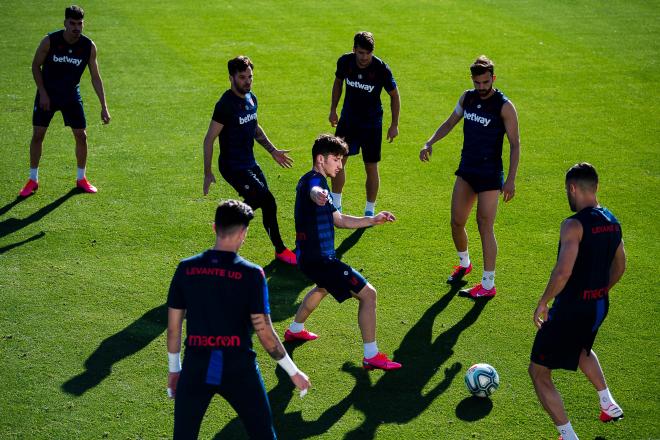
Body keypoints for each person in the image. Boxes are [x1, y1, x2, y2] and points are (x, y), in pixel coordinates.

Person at [167, 200, 310, 439]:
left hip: (197, 367)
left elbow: (174, 328)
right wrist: (292, 371)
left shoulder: (186, 268)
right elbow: (264, 332)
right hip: (238, 369)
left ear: (215, 227)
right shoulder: (252, 274)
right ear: (243, 233)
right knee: (263, 435)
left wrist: (175, 370)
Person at [284, 134, 401, 371]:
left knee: (323, 288)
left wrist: (373, 220)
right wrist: (319, 195)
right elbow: (314, 191)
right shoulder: (313, 182)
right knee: (368, 295)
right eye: (336, 159)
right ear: (320, 159)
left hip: (311, 258)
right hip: (320, 259)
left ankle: (294, 330)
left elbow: (339, 220)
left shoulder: (317, 181)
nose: (340, 165)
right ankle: (371, 355)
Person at [528, 163, 626, 440]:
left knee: (538, 372)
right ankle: (608, 404)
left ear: (573, 188)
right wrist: (600, 290)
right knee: (582, 348)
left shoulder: (573, 225)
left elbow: (563, 271)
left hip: (571, 309)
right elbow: (621, 264)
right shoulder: (611, 220)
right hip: (598, 307)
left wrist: (543, 301)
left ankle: (568, 436)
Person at [420, 55, 520, 298]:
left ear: (493, 79)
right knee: (456, 223)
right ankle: (464, 263)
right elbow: (450, 122)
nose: (482, 88)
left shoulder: (504, 106)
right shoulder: (468, 97)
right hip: (467, 171)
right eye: (478, 83)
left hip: (490, 175)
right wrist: (430, 141)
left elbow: (515, 144)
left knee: (484, 225)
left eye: (486, 83)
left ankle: (488, 284)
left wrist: (510, 180)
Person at [202, 56, 297, 265]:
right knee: (266, 199)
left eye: (250, 77)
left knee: (266, 203)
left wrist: (272, 150)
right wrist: (207, 172)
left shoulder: (251, 98)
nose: (247, 81)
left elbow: (254, 126)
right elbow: (209, 139)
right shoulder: (225, 105)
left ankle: (227, 223)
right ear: (231, 78)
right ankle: (279, 249)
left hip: (249, 162)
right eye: (242, 77)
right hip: (232, 166)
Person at [19, 5, 111, 198]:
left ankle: (81, 179)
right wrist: (43, 93)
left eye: (80, 23)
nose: (77, 27)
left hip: (71, 96)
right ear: (65, 23)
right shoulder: (50, 41)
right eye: (73, 23)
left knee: (81, 136)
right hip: (48, 96)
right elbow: (36, 66)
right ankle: (32, 179)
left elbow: (95, 76)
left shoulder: (88, 46)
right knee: (38, 135)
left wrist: (104, 106)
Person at [328, 31, 400, 216]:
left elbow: (394, 95)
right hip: (348, 121)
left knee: (371, 166)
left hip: (371, 124)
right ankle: (336, 205)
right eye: (360, 53)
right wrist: (333, 109)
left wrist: (394, 124)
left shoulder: (381, 69)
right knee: (338, 161)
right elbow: (338, 83)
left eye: (368, 53)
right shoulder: (345, 62)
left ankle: (369, 210)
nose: (364, 57)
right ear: (354, 50)